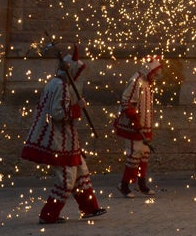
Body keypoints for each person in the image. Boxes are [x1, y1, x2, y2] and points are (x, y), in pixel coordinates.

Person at [21, 44, 106, 224]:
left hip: (69, 140)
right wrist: (77, 108)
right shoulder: (60, 86)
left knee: (82, 173)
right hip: (58, 141)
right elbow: (57, 113)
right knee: (67, 179)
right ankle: (48, 215)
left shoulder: (57, 83)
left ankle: (90, 208)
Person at [113, 55, 163, 198]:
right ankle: (124, 184)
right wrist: (134, 119)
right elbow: (126, 101)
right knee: (134, 155)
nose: (156, 76)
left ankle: (141, 183)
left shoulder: (148, 82)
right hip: (133, 126)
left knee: (144, 155)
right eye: (155, 73)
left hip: (145, 125)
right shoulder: (136, 81)